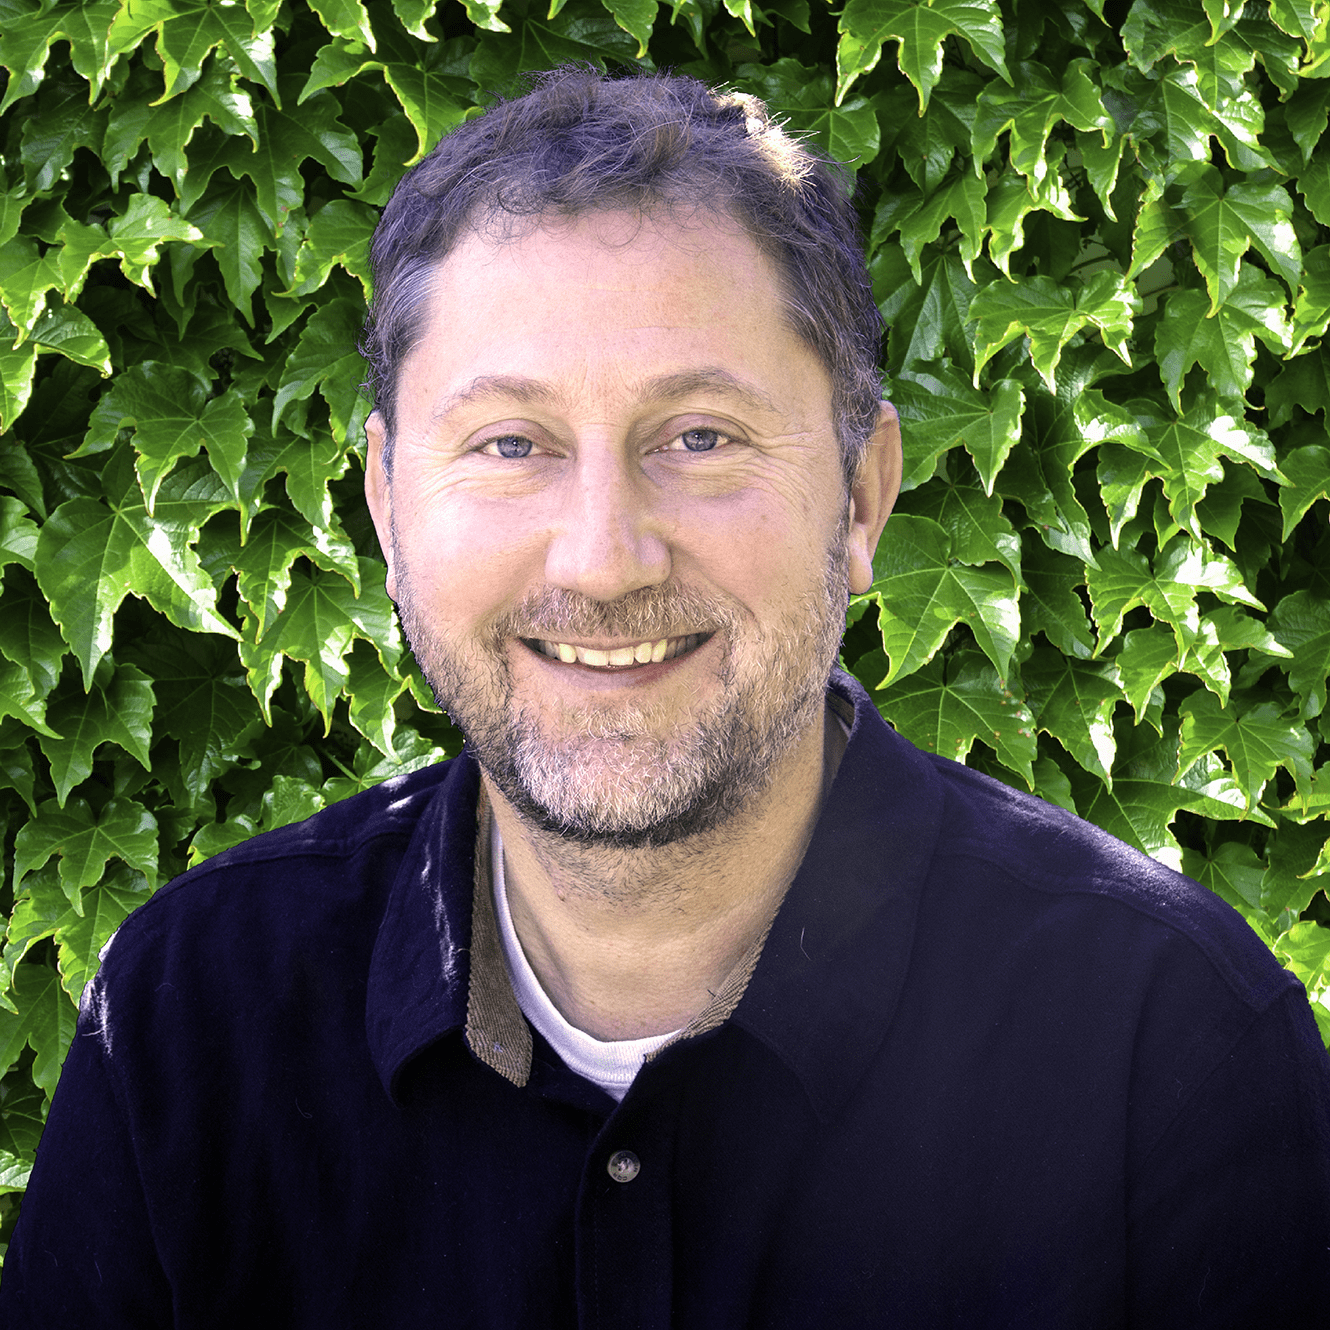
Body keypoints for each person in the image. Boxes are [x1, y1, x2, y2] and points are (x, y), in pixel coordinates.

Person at [2, 64, 1328, 1328]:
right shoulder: (191, 1019)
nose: (602, 557)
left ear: (862, 496)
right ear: (386, 507)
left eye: (698, 436)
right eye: (509, 443)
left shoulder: (1176, 1050)